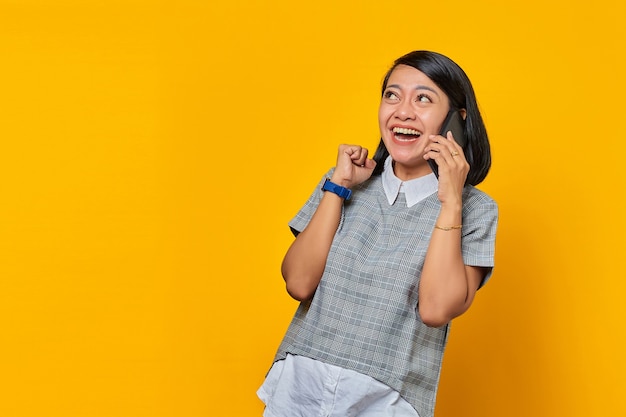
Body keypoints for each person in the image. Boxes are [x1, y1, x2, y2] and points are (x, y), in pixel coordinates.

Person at [257, 50, 498, 417]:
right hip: (300, 386)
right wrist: (337, 187)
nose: (402, 111)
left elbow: (435, 309)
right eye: (392, 95)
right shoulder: (343, 183)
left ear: (456, 120)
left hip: (387, 401)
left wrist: (450, 202)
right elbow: (298, 283)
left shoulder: (475, 209)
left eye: (423, 98)